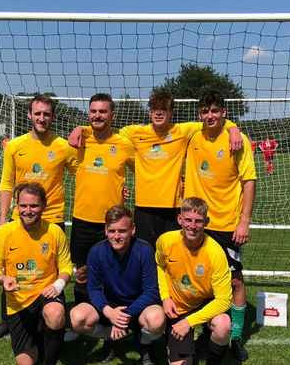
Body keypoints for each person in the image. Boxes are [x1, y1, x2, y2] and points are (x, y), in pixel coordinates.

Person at [69, 88, 242, 249]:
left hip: (173, 209)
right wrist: (80, 129)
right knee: (145, 257)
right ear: (150, 112)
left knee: (171, 256)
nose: (158, 113)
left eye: (163, 109)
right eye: (154, 109)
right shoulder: (134, 133)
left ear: (170, 113)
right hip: (144, 209)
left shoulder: (181, 131)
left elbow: (211, 121)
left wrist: (233, 129)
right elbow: (103, 129)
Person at [0, 94, 77, 343]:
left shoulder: (63, 147)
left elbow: (84, 174)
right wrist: (4, 218)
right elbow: (6, 184)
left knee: (54, 270)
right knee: (11, 269)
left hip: (52, 218)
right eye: (37, 113)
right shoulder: (15, 146)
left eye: (46, 114)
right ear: (30, 115)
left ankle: (56, 320)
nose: (42, 118)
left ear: (53, 117)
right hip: (19, 218)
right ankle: (7, 320)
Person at [184, 91, 257, 362]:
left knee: (235, 280)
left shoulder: (238, 140)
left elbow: (249, 180)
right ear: (198, 114)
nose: (210, 115)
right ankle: (203, 329)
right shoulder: (191, 134)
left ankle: (236, 337)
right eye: (205, 111)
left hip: (227, 224)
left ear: (224, 112)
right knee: (196, 278)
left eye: (215, 110)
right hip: (194, 222)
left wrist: (244, 221)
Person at [0, 182, 72, 365]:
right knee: (25, 364)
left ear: (43, 206)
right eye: (23, 205)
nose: (28, 210)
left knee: (55, 312)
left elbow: (66, 266)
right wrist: (2, 279)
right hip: (18, 302)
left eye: (33, 206)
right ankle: (45, 334)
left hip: (45, 293)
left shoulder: (54, 232)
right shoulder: (4, 233)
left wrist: (59, 284)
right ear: (16, 206)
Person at [69, 205, 164, 365]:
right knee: (77, 318)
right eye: (112, 231)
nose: (116, 236)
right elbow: (94, 289)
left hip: (138, 307)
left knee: (156, 320)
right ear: (106, 230)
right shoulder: (96, 252)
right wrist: (108, 311)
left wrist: (123, 316)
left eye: (122, 231)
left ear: (132, 230)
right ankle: (110, 338)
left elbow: (151, 291)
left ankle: (144, 344)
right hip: (110, 308)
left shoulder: (145, 250)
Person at [156, 197, 232, 365]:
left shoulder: (215, 252)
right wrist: (165, 297)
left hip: (206, 303)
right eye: (188, 220)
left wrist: (189, 323)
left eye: (198, 221)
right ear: (180, 219)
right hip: (179, 305)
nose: (193, 226)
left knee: (223, 325)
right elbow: (160, 266)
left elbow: (224, 300)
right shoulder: (166, 241)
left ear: (206, 223)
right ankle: (190, 341)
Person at [69, 93, 135, 306]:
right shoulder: (79, 140)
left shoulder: (124, 144)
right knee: (82, 272)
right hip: (82, 219)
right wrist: (79, 128)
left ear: (112, 115)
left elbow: (144, 172)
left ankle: (110, 317)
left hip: (112, 223)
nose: (97, 116)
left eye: (103, 111)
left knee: (113, 270)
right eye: (93, 111)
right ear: (88, 114)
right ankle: (82, 315)